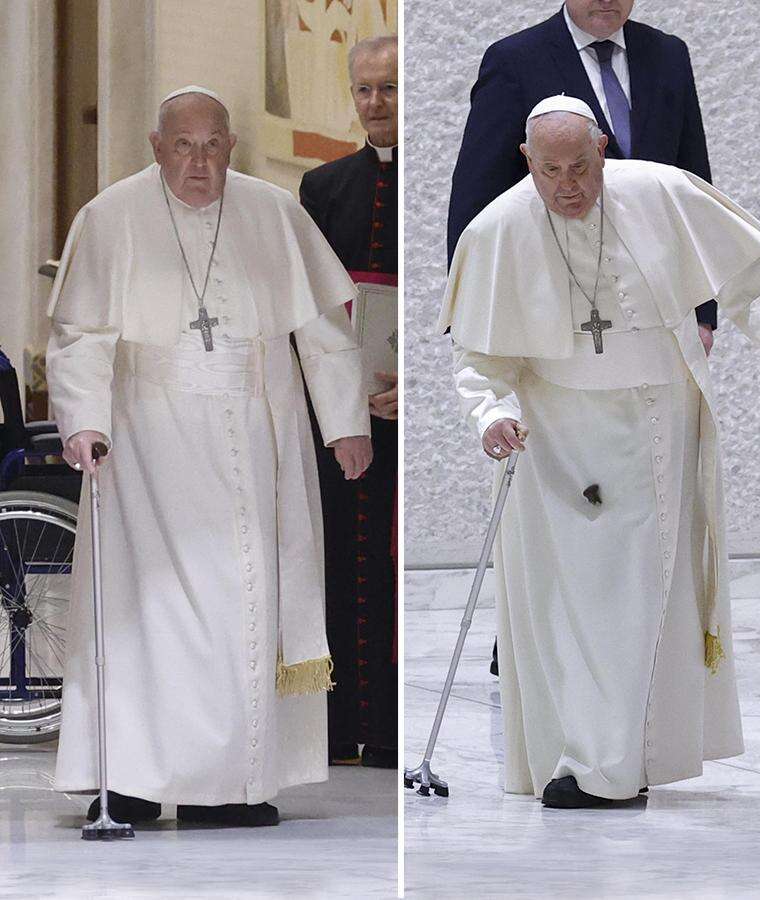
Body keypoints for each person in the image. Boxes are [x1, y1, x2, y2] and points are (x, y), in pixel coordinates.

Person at [437, 96, 760, 808]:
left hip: (663, 423)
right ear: (525, 163)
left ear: (603, 149)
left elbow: (758, 279)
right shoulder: (498, 229)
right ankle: (594, 760)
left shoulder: (662, 193)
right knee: (584, 603)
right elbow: (479, 358)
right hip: (560, 438)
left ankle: (620, 760)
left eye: (580, 166)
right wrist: (493, 416)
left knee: (647, 597)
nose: (567, 185)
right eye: (549, 171)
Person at [47, 86, 372, 827]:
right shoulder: (110, 217)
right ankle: (129, 777)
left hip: (256, 439)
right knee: (148, 612)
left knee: (243, 609)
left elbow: (323, 329)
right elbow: (83, 339)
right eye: (184, 145)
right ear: (157, 148)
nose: (200, 162)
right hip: (145, 445)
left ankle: (229, 785)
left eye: (214, 144)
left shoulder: (274, 212)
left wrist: (344, 424)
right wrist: (83, 422)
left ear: (233, 147)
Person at [446, 1, 718, 352]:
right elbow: (477, 195)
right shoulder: (515, 61)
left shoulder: (668, 54)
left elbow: (692, 182)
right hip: (557, 303)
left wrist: (702, 312)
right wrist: (470, 316)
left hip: (660, 303)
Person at [298, 34, 400, 769]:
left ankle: (392, 726)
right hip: (340, 412)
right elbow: (312, 305)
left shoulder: (445, 181)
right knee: (338, 557)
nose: (376, 103)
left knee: (392, 569)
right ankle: (336, 727)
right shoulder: (324, 187)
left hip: (410, 410)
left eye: (390, 87)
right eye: (364, 89)